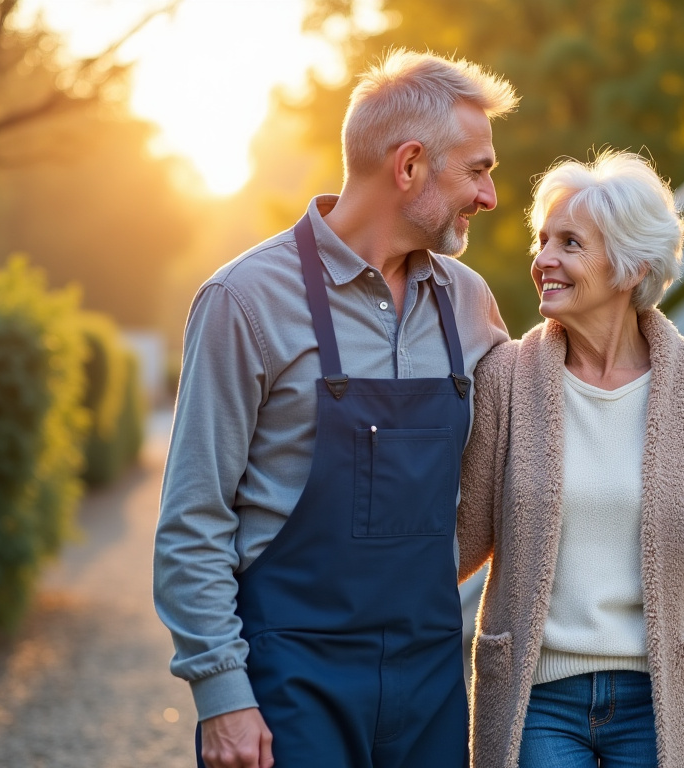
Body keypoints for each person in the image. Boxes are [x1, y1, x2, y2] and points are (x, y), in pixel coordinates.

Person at [153, 50, 516, 768]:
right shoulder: (244, 302)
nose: (489, 197)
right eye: (478, 169)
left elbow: (528, 448)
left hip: (431, 678)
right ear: (409, 165)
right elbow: (194, 519)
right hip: (291, 678)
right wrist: (223, 694)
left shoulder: (470, 304)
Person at [457, 151, 684, 768]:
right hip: (538, 699)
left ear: (631, 266)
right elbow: (464, 537)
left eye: (570, 244)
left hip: (659, 697)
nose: (543, 260)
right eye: (543, 240)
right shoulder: (505, 379)